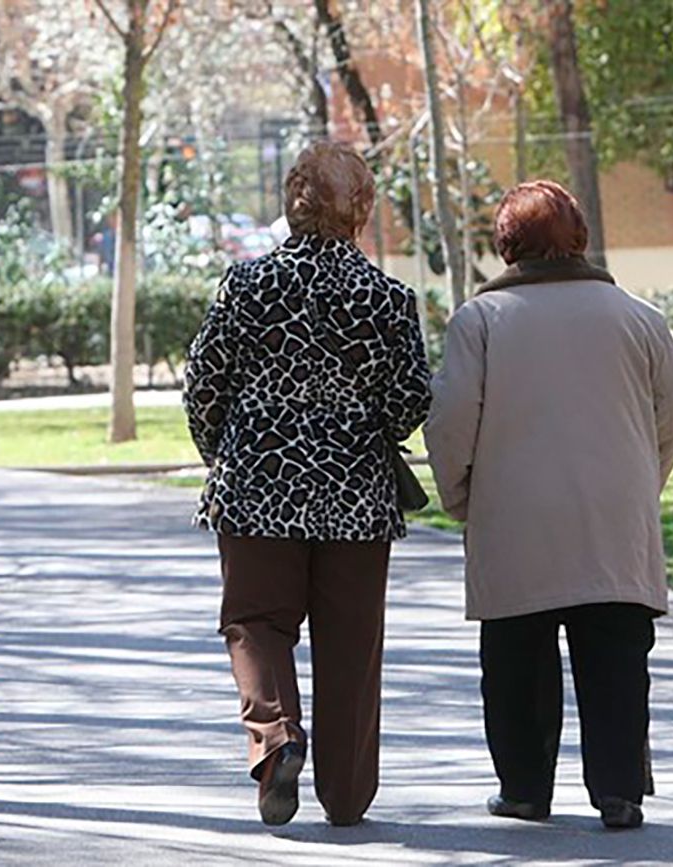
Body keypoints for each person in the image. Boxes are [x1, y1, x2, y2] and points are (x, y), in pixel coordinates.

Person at [426, 181, 673, 829]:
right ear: (579, 238)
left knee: (516, 662)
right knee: (617, 662)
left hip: (516, 517)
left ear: (507, 245)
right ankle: (619, 789)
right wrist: (642, 477)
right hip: (614, 517)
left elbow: (451, 419)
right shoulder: (638, 316)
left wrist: (461, 494)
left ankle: (524, 785)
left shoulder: (480, 321)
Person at [183, 141, 431, 827]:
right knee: (352, 640)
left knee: (256, 622)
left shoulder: (246, 285)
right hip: (355, 496)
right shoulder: (386, 297)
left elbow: (203, 383)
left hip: (257, 484)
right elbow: (411, 396)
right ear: (361, 209)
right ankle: (348, 795)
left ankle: (276, 736)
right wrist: (361, 426)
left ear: (291, 201)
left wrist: (222, 453)